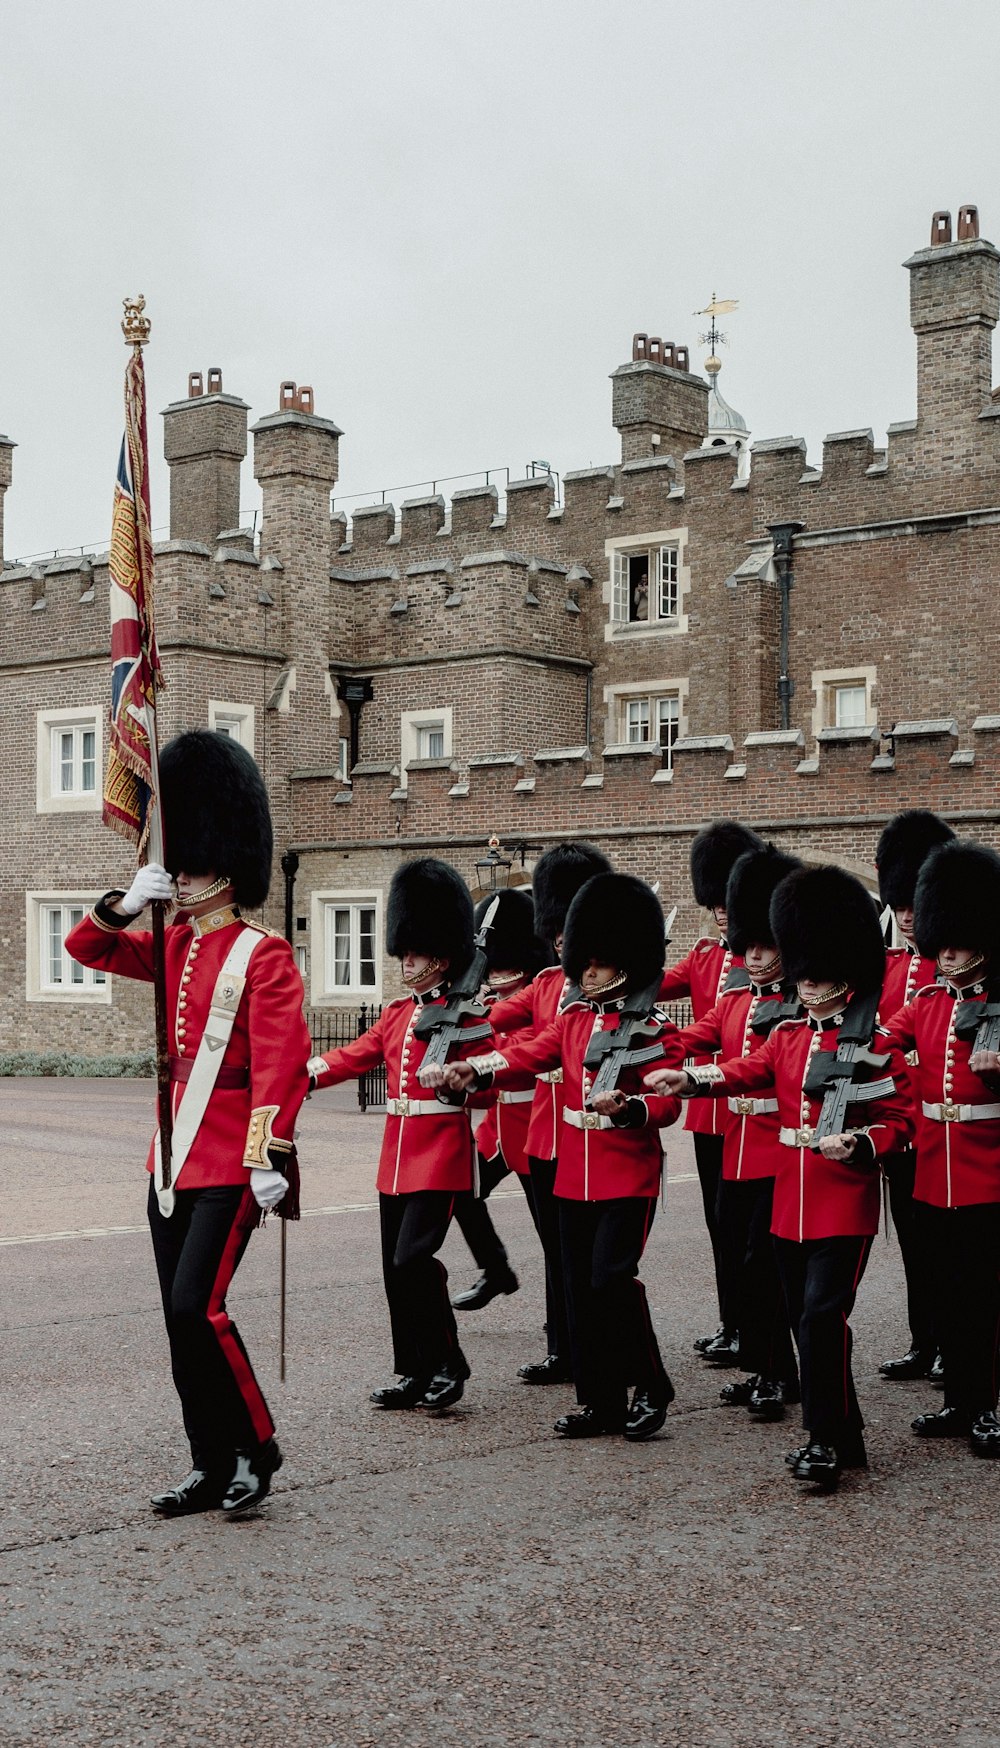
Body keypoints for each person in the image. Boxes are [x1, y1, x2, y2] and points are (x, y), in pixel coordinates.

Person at [67, 730, 310, 1517]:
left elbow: (280, 1060)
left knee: (194, 1309)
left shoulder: (263, 957)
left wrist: (271, 1150)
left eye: (187, 864)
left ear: (224, 867)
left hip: (234, 1161)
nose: (177, 873)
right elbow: (86, 948)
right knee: (179, 1326)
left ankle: (256, 1449)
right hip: (171, 1161)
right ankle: (208, 1463)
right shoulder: (174, 944)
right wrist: (124, 904)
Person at [648, 864, 913, 1489]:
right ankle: (844, 1434)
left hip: (843, 1200)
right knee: (804, 1320)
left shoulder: (873, 1041)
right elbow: (747, 1067)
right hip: (789, 1197)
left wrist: (863, 1143)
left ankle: (822, 1441)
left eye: (818, 972)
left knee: (822, 1315)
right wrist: (689, 1079)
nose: (810, 982)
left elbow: (900, 1121)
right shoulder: (791, 1033)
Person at [434, 873, 683, 1441]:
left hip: (627, 1174)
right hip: (574, 1172)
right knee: (580, 1287)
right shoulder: (573, 1019)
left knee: (613, 1280)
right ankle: (601, 1403)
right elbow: (529, 1053)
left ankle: (650, 1385)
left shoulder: (653, 1029)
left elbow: (665, 1108)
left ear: (624, 963)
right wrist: (477, 1068)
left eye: (596, 964)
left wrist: (630, 1109)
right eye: (582, 962)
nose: (584, 972)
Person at [309, 858, 485, 1412]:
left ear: (442, 955)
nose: (406, 961)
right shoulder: (395, 1014)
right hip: (397, 1155)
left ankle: (448, 1364)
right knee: (393, 1269)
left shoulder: (470, 1019)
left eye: (416, 952)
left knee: (414, 1260)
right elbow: (353, 1056)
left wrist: (458, 1083)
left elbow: (487, 1085)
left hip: (442, 1153)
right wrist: (302, 1074)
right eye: (403, 952)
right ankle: (412, 1369)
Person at [676, 845, 802, 1422]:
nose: (752, 956)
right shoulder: (735, 1001)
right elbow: (694, 1038)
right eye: (747, 946)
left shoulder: (806, 1007)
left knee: (770, 1264)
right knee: (743, 1259)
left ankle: (783, 1373)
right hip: (739, 1148)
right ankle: (765, 1365)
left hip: (782, 1149)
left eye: (764, 945)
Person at [882, 840, 1000, 1458]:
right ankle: (960, 1399)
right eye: (939, 941)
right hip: (935, 1171)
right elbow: (881, 1039)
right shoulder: (928, 1002)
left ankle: (990, 1406)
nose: (944, 952)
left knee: (988, 1295)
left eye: (955, 941)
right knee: (949, 1290)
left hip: (989, 1174)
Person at [485, 842, 613, 1384]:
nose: (562, 942)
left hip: (586, 1130)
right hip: (545, 1132)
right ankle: (562, 1346)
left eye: (569, 932)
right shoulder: (543, 985)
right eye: (556, 934)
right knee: (555, 1250)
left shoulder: (605, 993)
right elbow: (493, 1016)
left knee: (587, 1257)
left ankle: (594, 1347)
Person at [660, 820, 764, 1363]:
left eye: (730, 898)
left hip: (751, 1107)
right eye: (716, 900)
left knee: (749, 1231)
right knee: (719, 1225)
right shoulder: (703, 956)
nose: (722, 909)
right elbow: (652, 984)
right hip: (708, 1110)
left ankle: (755, 1327)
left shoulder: (769, 963)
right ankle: (732, 1323)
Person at [875, 809, 954, 1384]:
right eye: (898, 906)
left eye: (912, 906)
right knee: (912, 1243)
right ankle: (924, 1339)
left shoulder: (952, 968)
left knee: (952, 1247)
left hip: (944, 1128)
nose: (905, 918)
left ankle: (958, 1343)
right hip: (901, 1124)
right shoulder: (890, 965)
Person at [451, 889, 549, 1311]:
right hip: (499, 1130)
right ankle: (495, 1268)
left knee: (552, 1232)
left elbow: (520, 1059)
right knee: (461, 1194)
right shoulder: (489, 1003)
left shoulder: (541, 1004)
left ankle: (563, 1322)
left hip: (534, 1126)